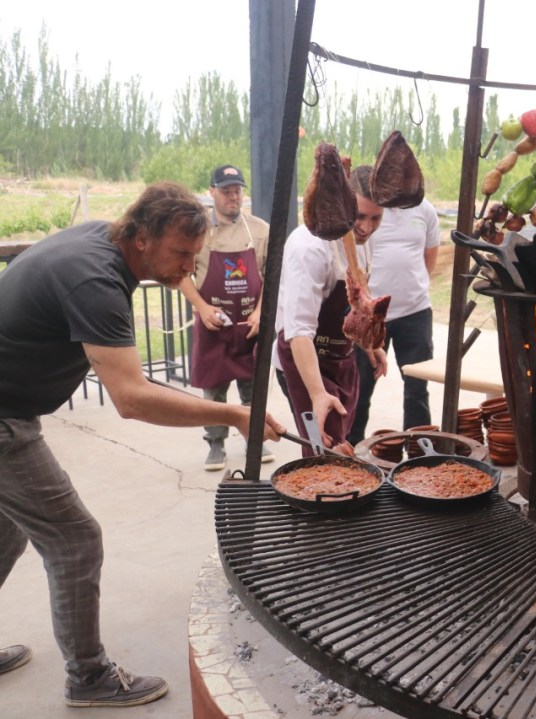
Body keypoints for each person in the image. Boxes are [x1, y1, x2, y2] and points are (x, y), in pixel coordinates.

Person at [0, 182, 286, 708]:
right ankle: (88, 678)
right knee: (75, 540)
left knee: (8, 533)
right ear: (141, 239)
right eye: (180, 253)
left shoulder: (101, 244)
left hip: (12, 405)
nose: (189, 268)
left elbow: (128, 377)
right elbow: (131, 399)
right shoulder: (95, 280)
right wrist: (232, 413)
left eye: (195, 255)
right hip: (4, 420)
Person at [273, 165, 388, 452]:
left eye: (376, 218)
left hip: (340, 356)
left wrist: (368, 342)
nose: (367, 228)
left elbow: (358, 298)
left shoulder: (363, 241)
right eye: (360, 216)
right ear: (341, 204)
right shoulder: (309, 247)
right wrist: (317, 393)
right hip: (302, 357)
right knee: (324, 450)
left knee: (340, 441)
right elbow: (298, 330)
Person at [179, 164, 273, 470]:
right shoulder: (197, 231)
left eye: (237, 191)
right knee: (213, 391)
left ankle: (253, 438)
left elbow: (272, 276)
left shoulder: (259, 230)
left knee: (253, 388)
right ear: (212, 192)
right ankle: (215, 443)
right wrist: (202, 307)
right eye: (226, 191)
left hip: (249, 325)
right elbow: (180, 274)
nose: (233, 197)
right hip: (213, 325)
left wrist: (260, 313)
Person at [346, 169, 440, 445]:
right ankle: (351, 449)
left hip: (416, 313)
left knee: (417, 389)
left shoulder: (425, 210)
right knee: (360, 388)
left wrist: (412, 288)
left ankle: (420, 453)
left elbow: (430, 258)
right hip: (371, 315)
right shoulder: (369, 211)